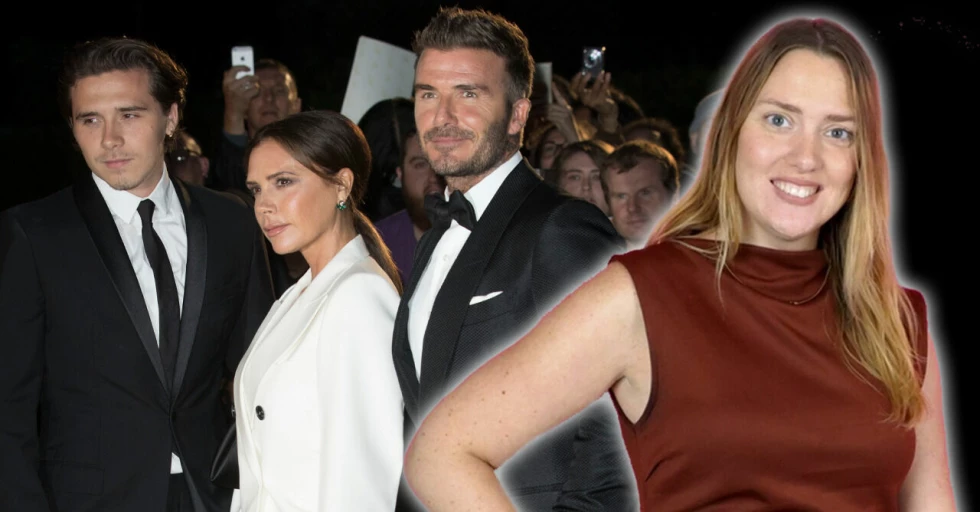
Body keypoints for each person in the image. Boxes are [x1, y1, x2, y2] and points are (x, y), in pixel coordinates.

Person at [404, 16, 957, 512]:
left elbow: (932, 501)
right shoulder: (645, 295)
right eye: (779, 120)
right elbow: (443, 452)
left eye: (838, 132)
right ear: (732, 132)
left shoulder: (897, 318)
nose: (806, 157)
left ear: (863, 159)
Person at [0, 37, 275, 511]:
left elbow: (265, 372)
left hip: (215, 493)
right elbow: (9, 408)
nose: (109, 139)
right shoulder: (35, 233)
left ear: (170, 118)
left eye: (129, 115)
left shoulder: (231, 222)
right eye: (90, 120)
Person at [392, 7, 634, 511]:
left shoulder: (561, 228)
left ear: (518, 116)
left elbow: (614, 420)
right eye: (428, 94)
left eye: (468, 94)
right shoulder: (435, 240)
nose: (442, 117)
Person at [235, 110, 404, 510]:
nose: (264, 205)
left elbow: (363, 480)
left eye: (283, 182)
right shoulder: (299, 294)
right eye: (256, 189)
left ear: (341, 185)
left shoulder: (359, 295)